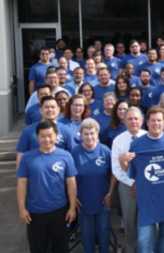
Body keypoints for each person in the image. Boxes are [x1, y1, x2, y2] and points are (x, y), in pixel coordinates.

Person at [120, 108, 164, 253]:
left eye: (159, 120)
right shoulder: (137, 144)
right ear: (147, 122)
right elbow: (131, 172)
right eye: (152, 120)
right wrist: (122, 160)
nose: (156, 123)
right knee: (144, 241)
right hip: (148, 198)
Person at [17, 120, 78, 253]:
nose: (47, 139)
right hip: (35, 212)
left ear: (56, 135)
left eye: (50, 135)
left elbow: (71, 183)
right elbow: (21, 184)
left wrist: (72, 208)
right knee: (37, 248)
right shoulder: (27, 158)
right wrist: (22, 208)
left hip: (60, 210)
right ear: (37, 137)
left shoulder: (66, 156)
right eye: (42, 136)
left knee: (60, 247)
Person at [71, 119, 116, 253]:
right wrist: (73, 198)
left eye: (92, 133)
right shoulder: (74, 153)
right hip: (83, 201)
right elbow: (68, 178)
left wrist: (110, 194)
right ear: (80, 134)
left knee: (103, 233)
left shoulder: (105, 150)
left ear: (97, 134)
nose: (89, 137)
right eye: (86, 134)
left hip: (103, 201)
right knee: (87, 236)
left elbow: (114, 173)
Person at [111, 107, 146, 252]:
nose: (133, 122)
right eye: (130, 119)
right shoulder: (118, 140)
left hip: (147, 185)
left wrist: (141, 183)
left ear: (142, 121)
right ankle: (130, 249)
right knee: (129, 221)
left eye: (136, 118)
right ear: (124, 121)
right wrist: (133, 183)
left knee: (148, 221)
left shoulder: (149, 136)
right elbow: (116, 169)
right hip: (127, 186)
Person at [16, 96, 77, 168]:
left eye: (53, 107)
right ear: (41, 110)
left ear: (58, 110)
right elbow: (21, 154)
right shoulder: (28, 131)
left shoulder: (66, 130)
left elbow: (72, 154)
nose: (50, 109)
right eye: (47, 107)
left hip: (59, 174)